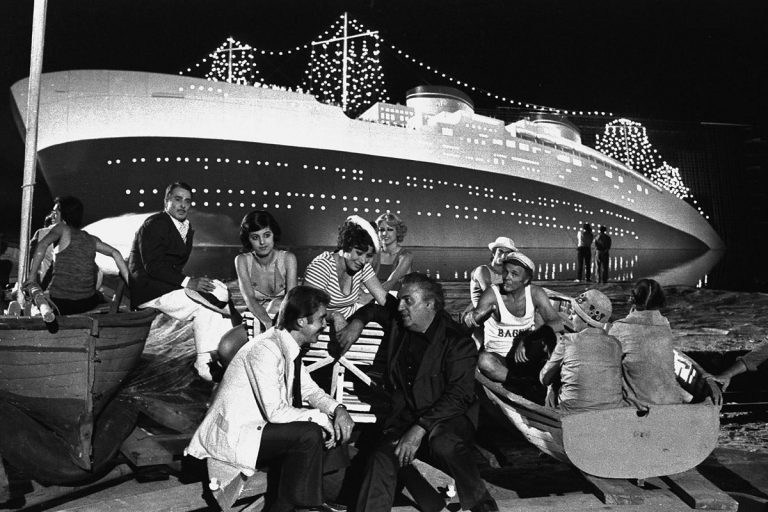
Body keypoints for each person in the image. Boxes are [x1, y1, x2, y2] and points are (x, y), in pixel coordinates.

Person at [337, 273, 499, 512]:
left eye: (408, 301)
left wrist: (419, 428)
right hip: (403, 419)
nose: (399, 306)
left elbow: (459, 396)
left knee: (443, 443)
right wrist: (356, 323)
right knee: (381, 457)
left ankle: (480, 502)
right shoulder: (400, 323)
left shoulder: (457, 341)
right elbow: (373, 310)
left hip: (447, 420)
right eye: (400, 299)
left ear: (429, 304)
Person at [185, 286, 355, 512]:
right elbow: (275, 412)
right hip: (235, 436)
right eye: (321, 319)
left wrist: (338, 410)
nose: (325, 325)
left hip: (258, 429)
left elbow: (310, 391)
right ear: (301, 322)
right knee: (309, 433)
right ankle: (306, 504)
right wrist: (321, 418)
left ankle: (307, 500)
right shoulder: (265, 349)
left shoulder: (287, 346)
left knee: (324, 426)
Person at [128, 182, 232, 381]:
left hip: (166, 286)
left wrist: (192, 283)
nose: (183, 205)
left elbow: (172, 266)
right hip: (149, 290)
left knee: (218, 293)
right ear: (166, 200)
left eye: (187, 201)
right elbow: (153, 266)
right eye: (177, 199)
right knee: (206, 305)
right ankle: (205, 365)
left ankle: (217, 357)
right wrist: (188, 282)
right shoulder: (155, 223)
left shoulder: (185, 227)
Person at [463, 252, 563, 395]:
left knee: (555, 338)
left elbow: (557, 322)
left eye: (514, 274)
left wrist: (528, 338)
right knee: (484, 361)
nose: (507, 277)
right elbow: (469, 323)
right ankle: (525, 383)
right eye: (505, 272)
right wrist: (474, 318)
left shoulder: (535, 293)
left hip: (524, 355)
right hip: (499, 358)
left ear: (526, 280)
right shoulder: (492, 293)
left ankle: (537, 381)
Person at [26, 196, 129, 315]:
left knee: (37, 299)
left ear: (64, 214)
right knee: (99, 295)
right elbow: (115, 253)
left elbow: (42, 245)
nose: (53, 215)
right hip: (86, 303)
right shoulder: (92, 239)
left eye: (56, 212)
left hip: (61, 303)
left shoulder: (62, 228)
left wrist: (32, 278)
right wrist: (130, 283)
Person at [540, 289, 624, 413]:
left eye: (573, 314)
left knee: (552, 387)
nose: (569, 317)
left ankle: (550, 416)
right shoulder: (616, 344)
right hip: (610, 415)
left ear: (585, 319)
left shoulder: (567, 341)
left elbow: (544, 379)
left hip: (572, 415)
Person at [608, 279, 688, 407]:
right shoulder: (665, 325)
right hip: (671, 402)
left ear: (633, 299)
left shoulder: (619, 327)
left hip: (639, 405)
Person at [304, 215, 389, 325]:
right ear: (346, 245)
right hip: (322, 326)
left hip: (352, 323)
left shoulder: (362, 266)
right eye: (359, 253)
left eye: (368, 255)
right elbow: (309, 309)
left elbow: (382, 297)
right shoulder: (322, 266)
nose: (363, 260)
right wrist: (335, 315)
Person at [235, 210, 297, 331]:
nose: (262, 242)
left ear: (274, 234)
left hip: (284, 318)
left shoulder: (288, 258)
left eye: (267, 235)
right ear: (248, 239)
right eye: (255, 237)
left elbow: (291, 300)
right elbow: (249, 299)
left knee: (276, 304)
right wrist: (267, 322)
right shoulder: (242, 260)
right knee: (226, 342)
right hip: (256, 317)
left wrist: (275, 326)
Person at [469, 236, 517, 307]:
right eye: (500, 251)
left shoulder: (508, 273)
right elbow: (491, 295)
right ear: (493, 253)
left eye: (507, 253)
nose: (503, 256)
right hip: (483, 311)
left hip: (502, 310)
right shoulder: (482, 270)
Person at [372, 212, 413, 294]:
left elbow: (391, 282)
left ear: (398, 231)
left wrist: (368, 297)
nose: (385, 233)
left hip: (394, 298)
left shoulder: (406, 255)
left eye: (390, 229)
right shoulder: (374, 254)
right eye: (381, 230)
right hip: (373, 296)